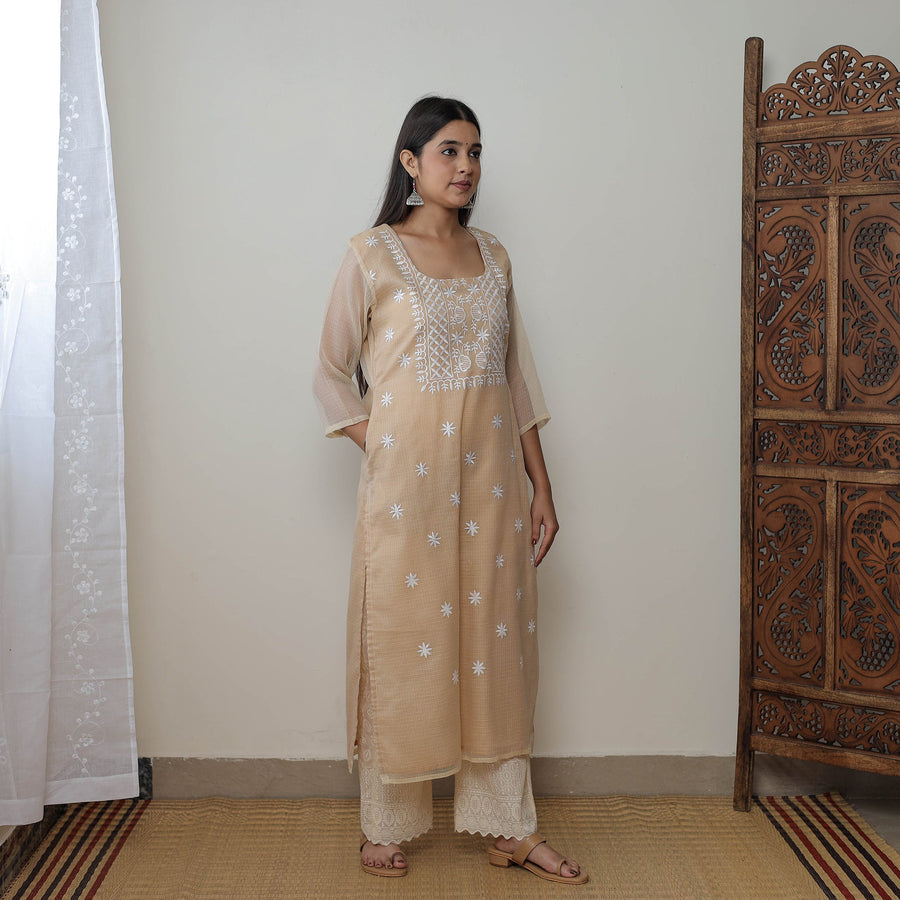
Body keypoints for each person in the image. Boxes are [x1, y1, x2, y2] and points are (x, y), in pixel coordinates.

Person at [313, 96, 586, 885]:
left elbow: (514, 376)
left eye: (475, 152)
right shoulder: (372, 254)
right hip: (407, 494)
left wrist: (541, 484)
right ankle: (385, 823)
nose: (466, 167)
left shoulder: (493, 256)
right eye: (449, 151)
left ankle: (510, 827)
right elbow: (329, 372)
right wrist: (383, 442)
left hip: (492, 491)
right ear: (411, 162)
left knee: (496, 649)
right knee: (403, 642)